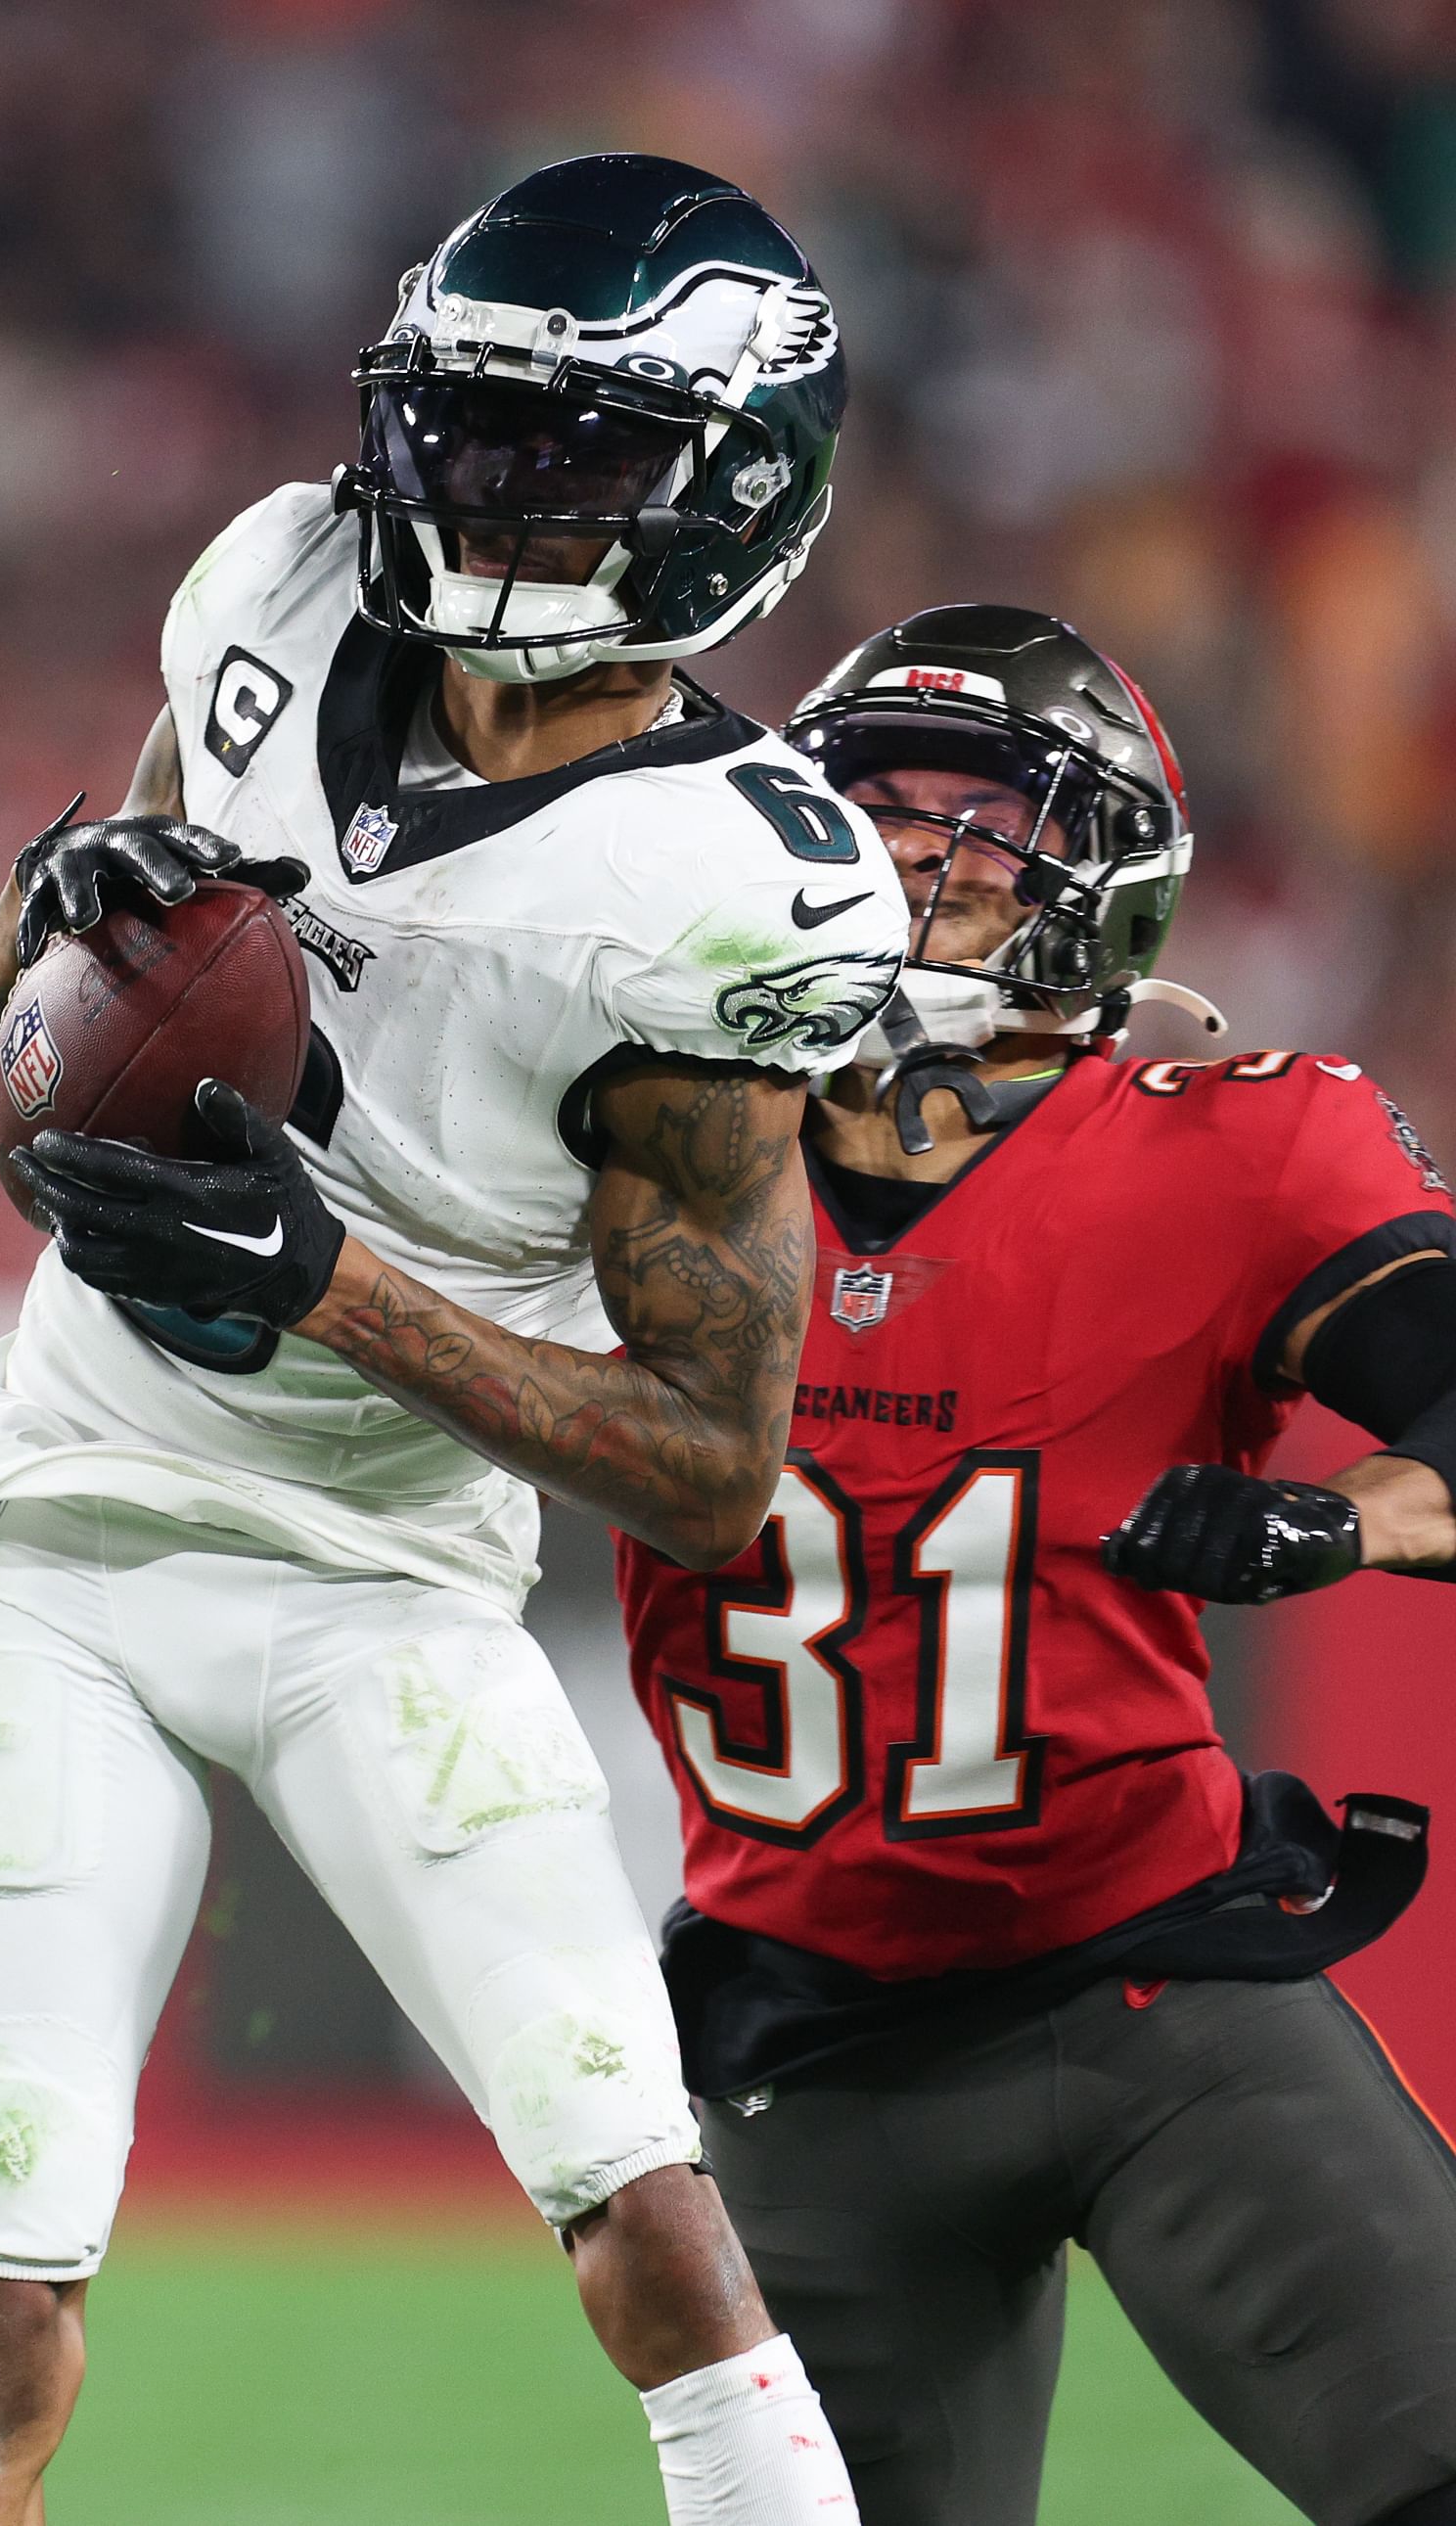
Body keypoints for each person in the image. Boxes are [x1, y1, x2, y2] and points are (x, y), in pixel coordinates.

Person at [0, 153, 899, 2526]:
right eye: (460, 426)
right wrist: (53, 916)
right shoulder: (270, 584)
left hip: (381, 1578)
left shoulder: (719, 889)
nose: (487, 493)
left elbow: (704, 1467)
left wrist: (324, 1280)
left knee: (651, 2228)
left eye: (571, 455)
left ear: (728, 494)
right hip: (57, 1532)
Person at [612, 603, 1456, 2526]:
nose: (920, 859)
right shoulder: (630, 1146)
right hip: (805, 2050)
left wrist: (1339, 1517)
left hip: (1165, 1991)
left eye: (979, 818)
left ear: (1101, 871)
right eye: (874, 813)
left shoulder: (1239, 1147)